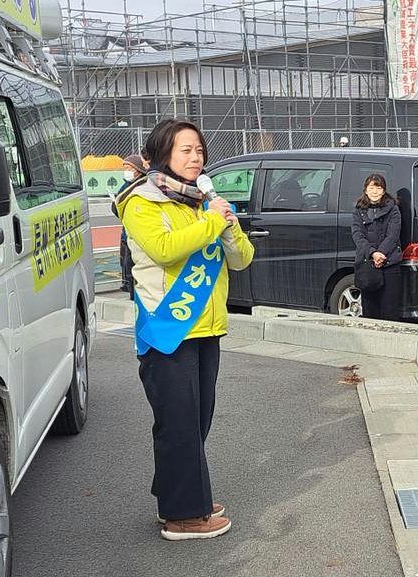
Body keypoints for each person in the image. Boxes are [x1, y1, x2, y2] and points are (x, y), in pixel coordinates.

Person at [118, 119, 255, 540]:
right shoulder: (142, 201)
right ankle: (183, 516)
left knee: (196, 421)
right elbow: (164, 250)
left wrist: (228, 227)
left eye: (199, 150)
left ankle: (182, 494)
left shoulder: (200, 202)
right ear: (163, 154)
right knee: (177, 423)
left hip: (207, 328)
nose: (196, 158)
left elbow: (242, 259)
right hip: (168, 330)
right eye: (185, 150)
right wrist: (212, 222)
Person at [351, 174, 403, 321]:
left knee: (390, 311)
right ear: (365, 190)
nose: (375, 192)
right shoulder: (358, 210)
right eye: (371, 188)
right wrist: (372, 253)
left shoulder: (393, 209)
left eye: (378, 188)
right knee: (369, 310)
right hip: (367, 263)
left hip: (389, 263)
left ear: (384, 190)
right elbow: (357, 234)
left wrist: (381, 253)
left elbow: (393, 235)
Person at [115, 153, 148, 293]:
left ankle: (132, 288)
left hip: (135, 233)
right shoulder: (126, 185)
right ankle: (126, 285)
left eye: (129, 168)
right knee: (125, 260)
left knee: (131, 261)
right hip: (126, 232)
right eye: (125, 168)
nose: (126, 171)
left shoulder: (141, 185)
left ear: (138, 170)